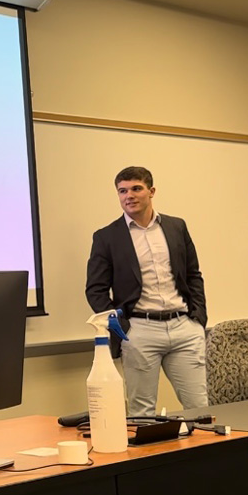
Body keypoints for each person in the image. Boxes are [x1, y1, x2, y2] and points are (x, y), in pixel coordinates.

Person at [85, 166, 208, 417]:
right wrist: (120, 325)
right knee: (142, 413)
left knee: (201, 408)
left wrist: (198, 318)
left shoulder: (176, 227)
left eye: (136, 188)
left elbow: (193, 274)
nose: (128, 195)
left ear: (151, 191)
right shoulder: (107, 237)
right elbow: (95, 290)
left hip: (184, 327)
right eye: (122, 191)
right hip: (140, 331)